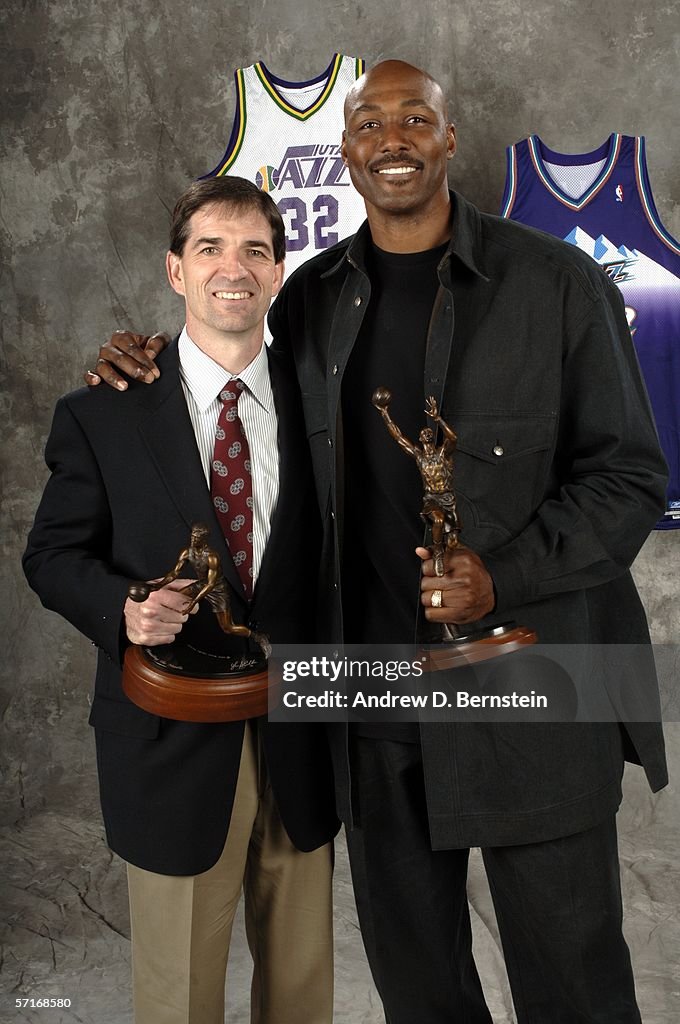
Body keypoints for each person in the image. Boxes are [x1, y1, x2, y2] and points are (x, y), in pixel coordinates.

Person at [85, 62, 668, 1024]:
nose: (390, 136)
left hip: (537, 685)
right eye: (368, 121)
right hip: (374, 697)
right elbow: (227, 382)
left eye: (414, 118)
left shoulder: (555, 283)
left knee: (574, 976)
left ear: (448, 138)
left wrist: (504, 575)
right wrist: (139, 360)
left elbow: (629, 475)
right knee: (418, 981)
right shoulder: (312, 296)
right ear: (346, 149)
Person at [24, 176, 338, 1024]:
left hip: (305, 733)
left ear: (279, 273)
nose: (232, 268)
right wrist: (123, 609)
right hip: (167, 737)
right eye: (210, 247)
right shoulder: (104, 414)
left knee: (303, 992)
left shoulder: (327, 409)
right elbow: (50, 555)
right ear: (174, 270)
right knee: (177, 999)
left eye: (255, 251)